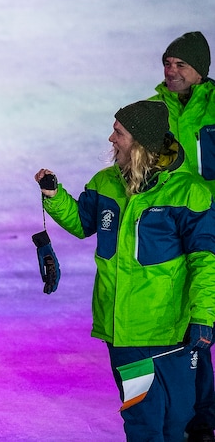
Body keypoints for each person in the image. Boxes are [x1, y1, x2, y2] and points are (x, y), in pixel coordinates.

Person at [35, 100, 215, 441]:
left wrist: (204, 315)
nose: (111, 139)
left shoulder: (189, 193)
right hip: (125, 334)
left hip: (172, 332)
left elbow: (206, 260)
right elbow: (82, 223)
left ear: (142, 142)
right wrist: (54, 196)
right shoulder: (105, 183)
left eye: (119, 132)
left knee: (179, 419)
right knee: (143, 420)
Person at [149, 31, 215, 441]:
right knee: (193, 319)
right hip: (177, 220)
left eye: (180, 65)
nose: (171, 71)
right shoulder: (156, 108)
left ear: (201, 72)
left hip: (210, 218)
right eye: (167, 62)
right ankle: (201, 416)